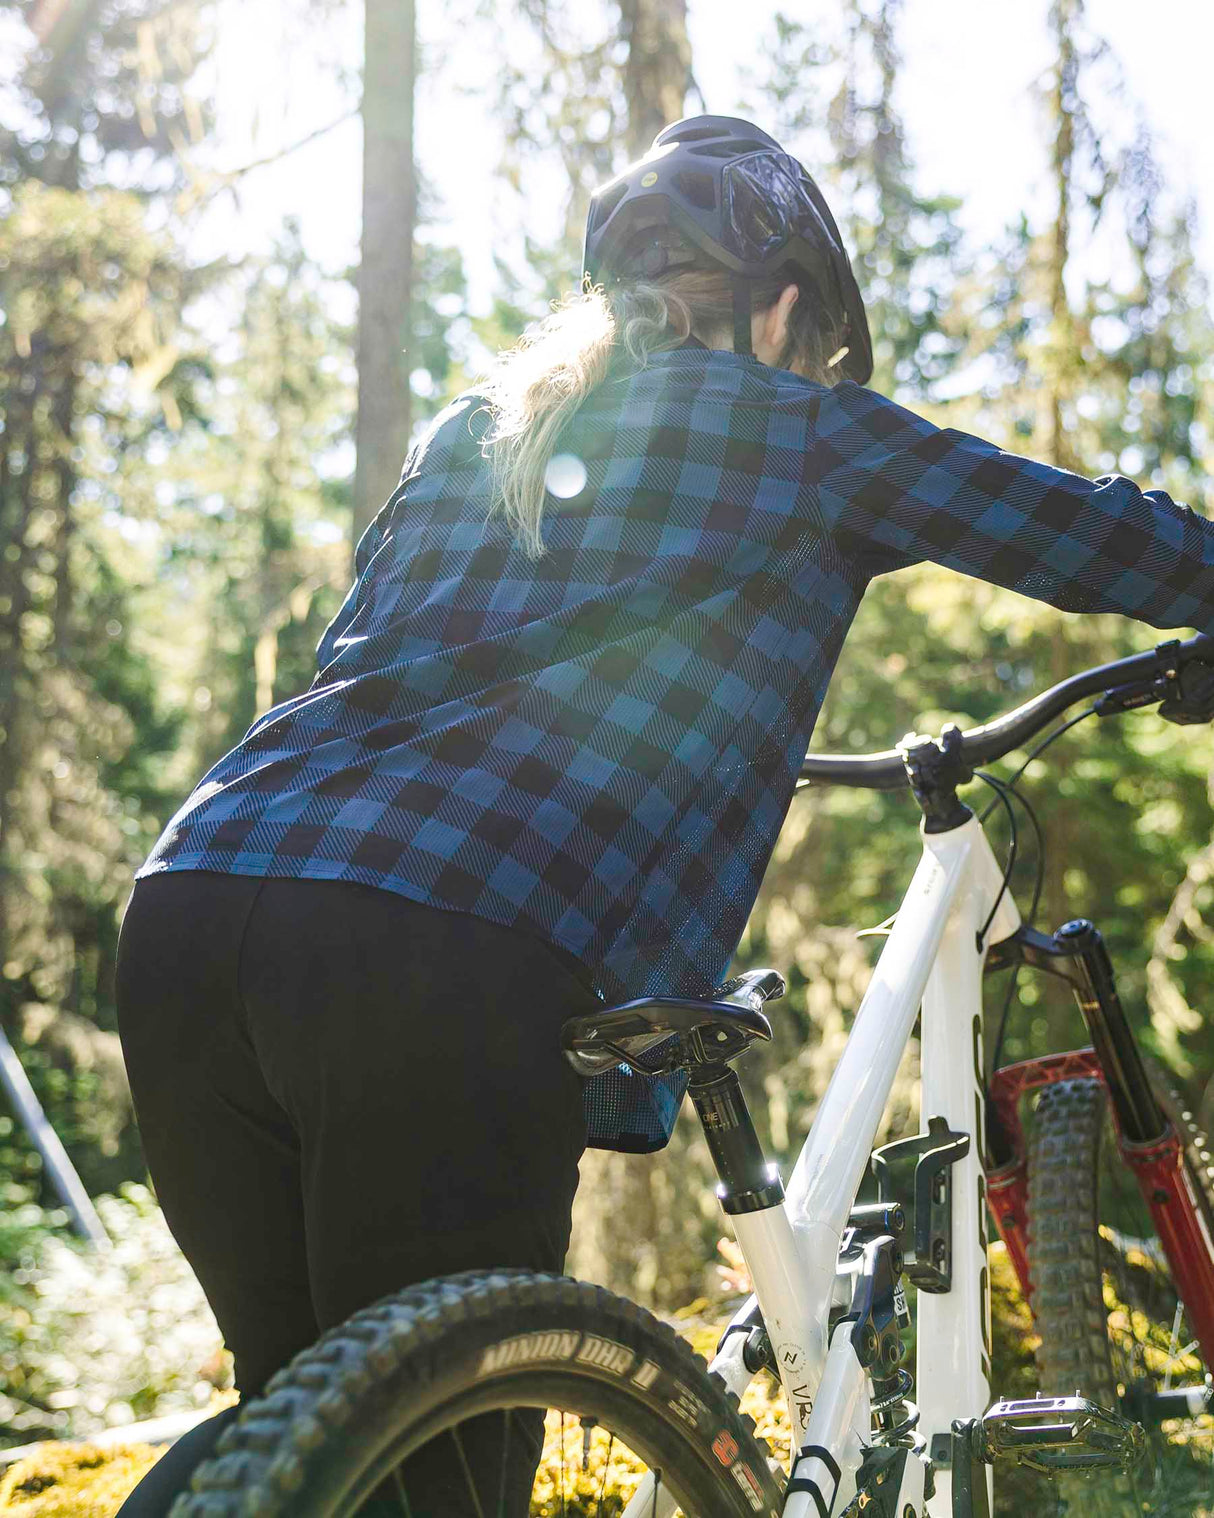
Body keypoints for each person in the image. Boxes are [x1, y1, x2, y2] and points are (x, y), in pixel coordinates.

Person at [113, 115, 1214, 1514]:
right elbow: (1090, 532)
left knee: (311, 1438)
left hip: (201, 896)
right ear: (783, 309)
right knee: (438, 1471)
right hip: (440, 947)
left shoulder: (483, 427)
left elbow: (373, 667)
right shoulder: (804, 428)